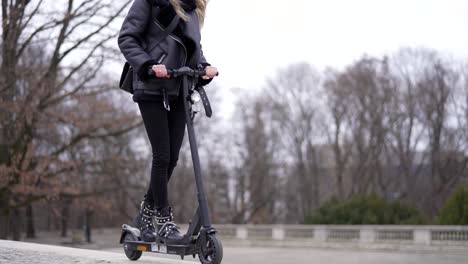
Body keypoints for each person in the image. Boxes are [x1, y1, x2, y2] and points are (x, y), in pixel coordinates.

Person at [117, 0, 218, 243]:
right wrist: (149, 65)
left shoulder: (192, 10)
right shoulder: (149, 3)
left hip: (179, 88)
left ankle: (144, 215)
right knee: (162, 155)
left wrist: (203, 66)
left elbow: (194, 49)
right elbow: (127, 38)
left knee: (172, 157)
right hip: (152, 87)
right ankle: (162, 219)